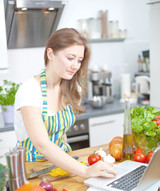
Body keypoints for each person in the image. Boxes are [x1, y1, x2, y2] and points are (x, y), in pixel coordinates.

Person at [14, 28, 117, 179]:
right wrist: (85, 172)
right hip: (32, 169)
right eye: (70, 58)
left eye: (79, 60)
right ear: (51, 54)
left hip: (63, 163)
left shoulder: (71, 86)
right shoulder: (29, 90)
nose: (76, 66)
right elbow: (42, 144)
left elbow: (61, 134)